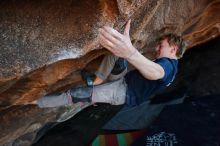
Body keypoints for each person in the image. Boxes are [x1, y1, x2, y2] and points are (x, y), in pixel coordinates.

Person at [35, 20, 186, 108]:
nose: (156, 48)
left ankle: (36, 102)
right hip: (124, 80)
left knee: (77, 94)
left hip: (123, 93)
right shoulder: (170, 65)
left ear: (173, 49)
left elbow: (157, 73)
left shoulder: (168, 66)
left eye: (161, 46)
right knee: (117, 55)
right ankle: (96, 81)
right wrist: (126, 54)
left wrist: (131, 53)